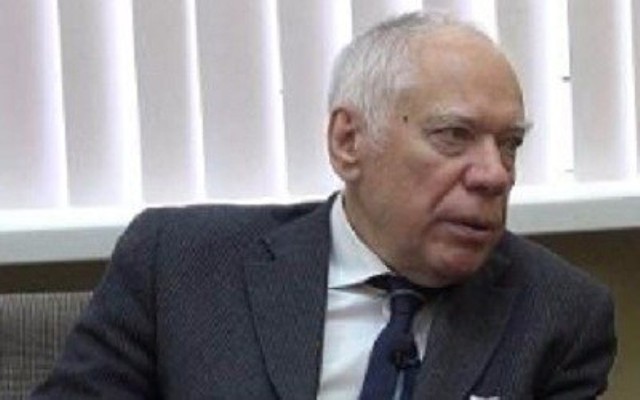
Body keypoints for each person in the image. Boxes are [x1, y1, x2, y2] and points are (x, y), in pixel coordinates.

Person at [32, 11, 616, 400]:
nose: (494, 174)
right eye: (453, 136)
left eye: (509, 144)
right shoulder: (180, 264)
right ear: (348, 141)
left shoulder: (559, 313)